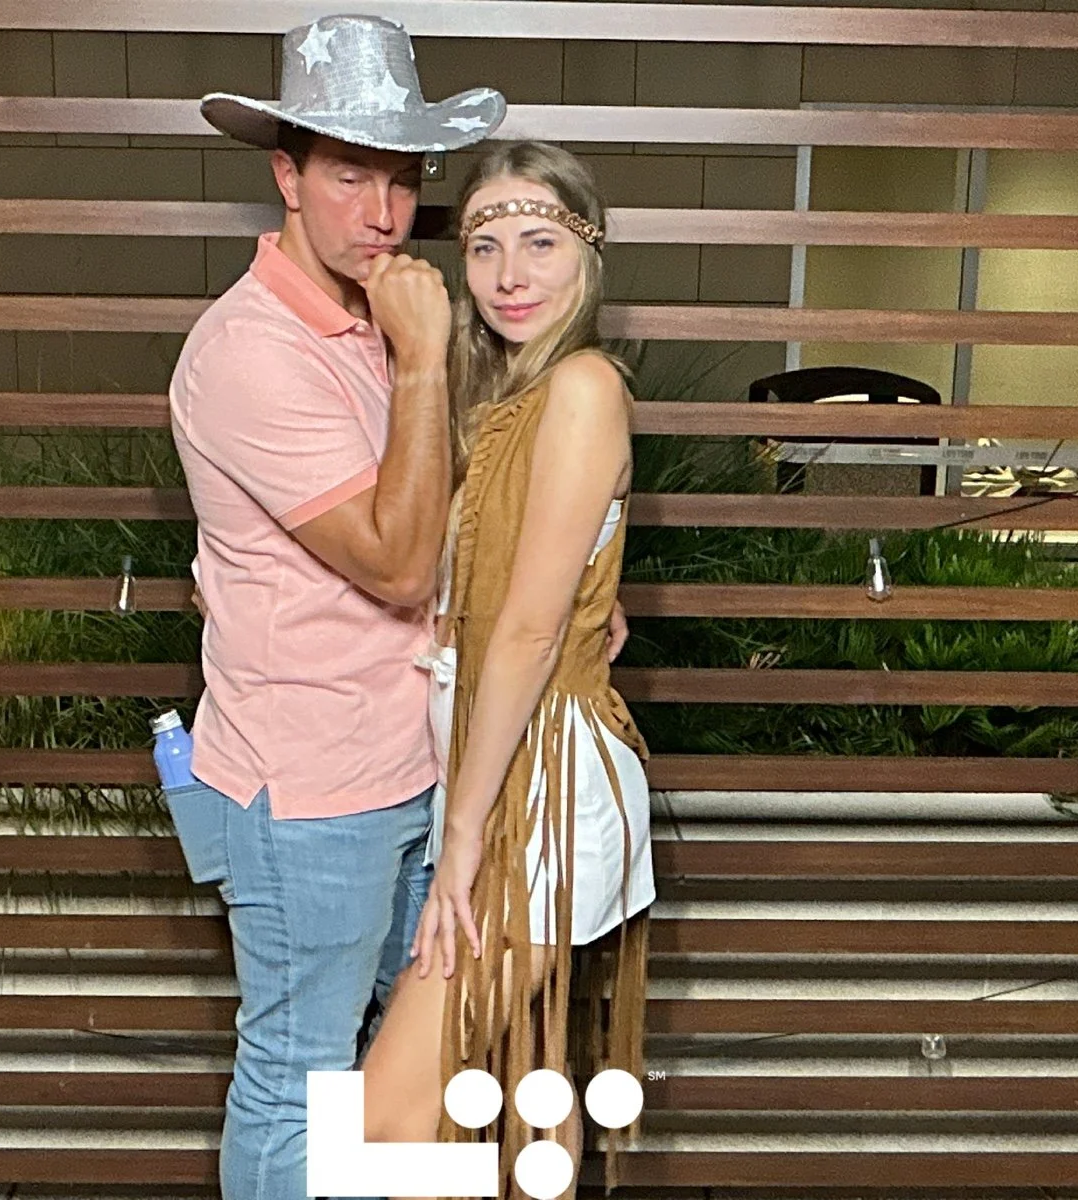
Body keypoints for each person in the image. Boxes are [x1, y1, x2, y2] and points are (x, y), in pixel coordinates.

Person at [161, 16, 506, 1200]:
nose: (384, 213)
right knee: (298, 1073)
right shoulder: (252, 351)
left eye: (403, 177)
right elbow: (398, 564)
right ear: (287, 177)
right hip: (310, 792)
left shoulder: (372, 320)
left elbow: (452, 538)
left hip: (411, 763)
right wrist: (424, 361)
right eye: (350, 174)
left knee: (389, 1071)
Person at [361, 142, 655, 1197]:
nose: (509, 274)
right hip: (501, 759)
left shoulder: (579, 384)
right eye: (483, 247)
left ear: (589, 254)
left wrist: (461, 840)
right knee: (524, 1083)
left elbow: (527, 636)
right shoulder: (507, 397)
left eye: (539, 243)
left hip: (542, 782)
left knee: (386, 1120)